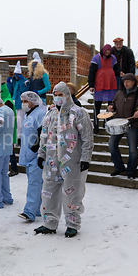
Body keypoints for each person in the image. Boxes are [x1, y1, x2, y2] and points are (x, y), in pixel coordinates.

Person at [34, 82, 93, 238]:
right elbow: (44, 136)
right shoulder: (50, 114)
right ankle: (49, 223)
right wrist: (41, 154)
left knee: (72, 193)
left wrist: (86, 157)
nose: (58, 98)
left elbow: (87, 137)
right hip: (51, 162)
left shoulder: (78, 113)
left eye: (61, 94)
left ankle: (72, 223)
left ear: (68, 95)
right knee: (49, 191)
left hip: (72, 162)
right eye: (55, 95)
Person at [107, 73, 138, 179]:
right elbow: (114, 103)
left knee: (133, 150)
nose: (125, 84)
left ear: (133, 82)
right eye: (124, 82)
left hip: (132, 124)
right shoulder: (119, 93)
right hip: (118, 123)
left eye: (128, 82)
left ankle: (131, 171)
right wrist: (111, 107)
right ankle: (119, 167)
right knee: (111, 145)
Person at [17, 91, 46, 222]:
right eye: (22, 101)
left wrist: (36, 147)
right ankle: (37, 210)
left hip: (36, 155)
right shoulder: (28, 114)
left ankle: (29, 212)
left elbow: (42, 133)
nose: (23, 104)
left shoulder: (39, 114)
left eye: (25, 101)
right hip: (29, 155)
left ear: (33, 101)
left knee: (34, 184)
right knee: (36, 183)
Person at [88, 44, 120, 134]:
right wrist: (91, 85)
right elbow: (92, 72)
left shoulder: (113, 58)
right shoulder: (96, 59)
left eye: (109, 52)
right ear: (103, 51)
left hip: (111, 84)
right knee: (97, 106)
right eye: (106, 52)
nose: (107, 53)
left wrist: (119, 73)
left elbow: (116, 69)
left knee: (111, 106)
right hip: (100, 85)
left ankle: (108, 123)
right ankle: (96, 125)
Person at [6, 61, 28, 142]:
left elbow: (24, 91)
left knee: (20, 120)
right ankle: (14, 135)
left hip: (20, 103)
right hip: (13, 101)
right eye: (15, 75)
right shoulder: (13, 81)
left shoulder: (25, 81)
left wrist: (22, 82)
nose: (16, 76)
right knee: (13, 120)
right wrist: (8, 83)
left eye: (17, 75)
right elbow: (9, 91)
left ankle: (19, 137)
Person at [1, 83, 19, 176]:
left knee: (10, 151)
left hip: (8, 130)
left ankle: (14, 168)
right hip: (7, 130)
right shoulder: (6, 100)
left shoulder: (7, 101)